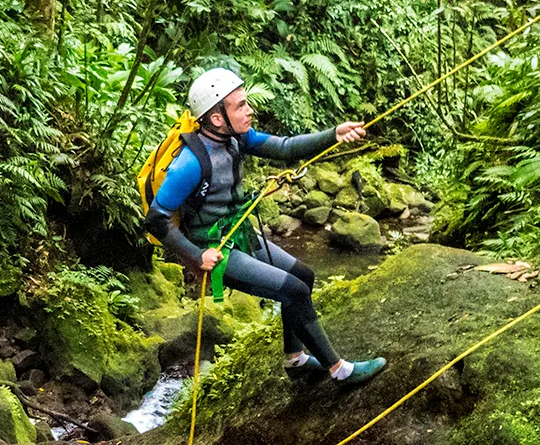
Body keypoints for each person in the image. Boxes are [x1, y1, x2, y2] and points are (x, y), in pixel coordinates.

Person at [143, 67, 386, 385]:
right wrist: (194, 256)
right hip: (214, 249)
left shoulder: (236, 140)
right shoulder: (189, 164)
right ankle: (339, 370)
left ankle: (295, 359)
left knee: (304, 276)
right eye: (241, 105)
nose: (250, 110)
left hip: (239, 232)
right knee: (295, 292)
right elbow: (156, 219)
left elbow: (285, 149)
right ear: (217, 118)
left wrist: (334, 135)